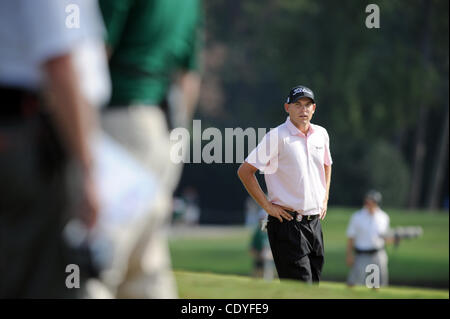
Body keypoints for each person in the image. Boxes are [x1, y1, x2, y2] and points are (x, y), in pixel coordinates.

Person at [0, 0, 109, 298]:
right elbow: (58, 61)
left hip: (30, 129)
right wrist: (88, 169)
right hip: (32, 134)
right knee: (46, 281)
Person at [97, 0, 203, 298]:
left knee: (96, 264)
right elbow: (189, 78)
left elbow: (94, 55)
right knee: (144, 266)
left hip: (117, 123)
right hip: (163, 129)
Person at [238, 85, 333, 284]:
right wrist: (267, 206)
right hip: (287, 224)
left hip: (314, 224)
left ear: (314, 109)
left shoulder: (321, 134)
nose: (303, 109)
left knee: (314, 287)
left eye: (308, 105)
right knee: (301, 288)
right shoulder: (276, 136)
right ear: (287, 107)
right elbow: (245, 171)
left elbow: (327, 164)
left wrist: (324, 197)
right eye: (297, 104)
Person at [346, 190, 390, 287]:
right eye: (367, 201)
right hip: (361, 255)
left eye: (371, 201)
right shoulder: (357, 216)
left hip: (378, 254)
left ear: (376, 203)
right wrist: (349, 255)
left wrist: (395, 239)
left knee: (377, 285)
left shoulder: (383, 217)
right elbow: (351, 237)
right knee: (354, 284)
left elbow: (385, 238)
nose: (368, 204)